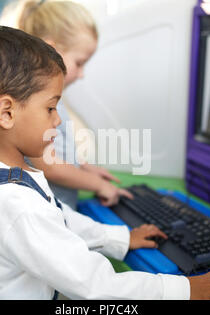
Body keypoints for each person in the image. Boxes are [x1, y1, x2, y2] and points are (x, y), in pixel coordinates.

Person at [0, 26, 210, 300]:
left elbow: (58, 217)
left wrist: (119, 238)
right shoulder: (16, 204)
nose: (58, 119)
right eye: (50, 107)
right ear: (7, 113)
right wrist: (182, 290)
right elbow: (93, 285)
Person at [12, 0, 132, 210]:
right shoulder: (35, 102)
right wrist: (98, 185)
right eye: (79, 63)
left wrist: (84, 168)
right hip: (48, 215)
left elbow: (56, 152)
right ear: (52, 51)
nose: (82, 73)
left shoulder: (52, 97)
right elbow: (49, 166)